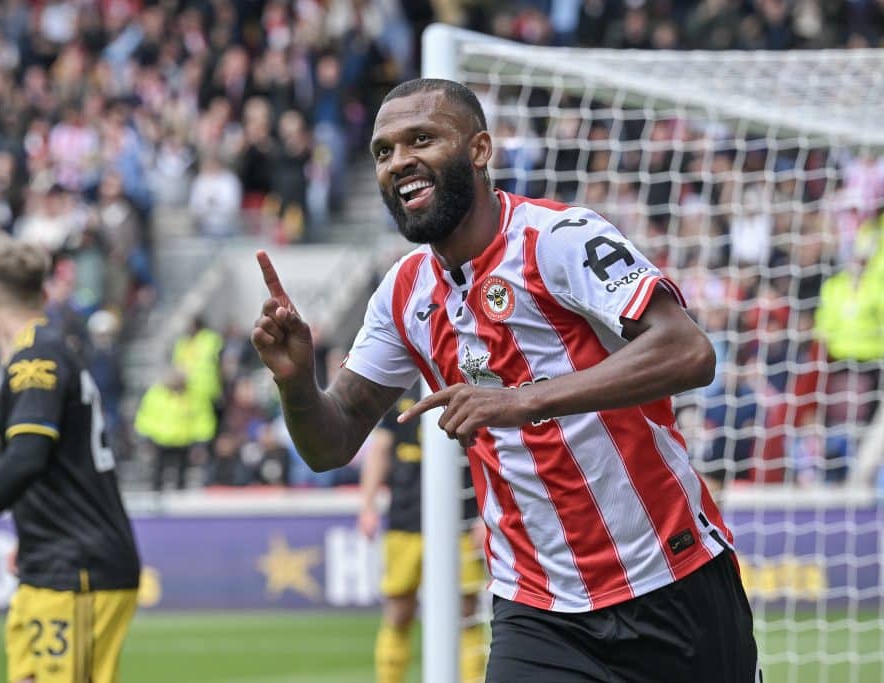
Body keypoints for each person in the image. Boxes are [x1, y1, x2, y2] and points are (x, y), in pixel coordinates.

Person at [251, 78, 759, 681]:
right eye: (383, 151)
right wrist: (296, 384)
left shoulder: (559, 239)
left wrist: (522, 402)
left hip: (671, 579)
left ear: (480, 150)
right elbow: (330, 443)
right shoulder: (402, 294)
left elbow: (688, 350)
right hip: (537, 611)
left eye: (421, 139)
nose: (399, 161)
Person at [0, 233, 140, 683]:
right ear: (42, 294)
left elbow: (28, 458)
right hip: (51, 563)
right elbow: (64, 457)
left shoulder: (35, 359)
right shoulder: (48, 351)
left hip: (76, 568)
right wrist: (35, 525)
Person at [358, 390, 486, 683]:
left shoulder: (465, 381)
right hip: (406, 517)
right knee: (400, 610)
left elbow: (488, 450)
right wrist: (367, 506)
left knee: (466, 611)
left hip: (460, 518)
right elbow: (380, 449)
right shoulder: (399, 390)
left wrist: (484, 515)